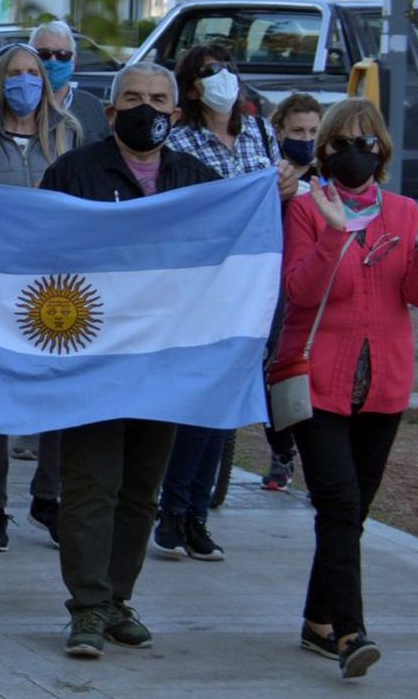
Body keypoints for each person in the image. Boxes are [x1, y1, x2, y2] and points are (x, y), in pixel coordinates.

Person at [38, 61, 218, 658]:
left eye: (159, 99)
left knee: (142, 489)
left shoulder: (198, 179)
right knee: (91, 484)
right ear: (111, 112)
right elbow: (40, 254)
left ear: (177, 111)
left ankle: (118, 598)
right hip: (91, 359)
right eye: (134, 98)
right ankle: (87, 608)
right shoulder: (74, 172)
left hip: (163, 360)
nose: (148, 108)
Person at [270, 98, 418, 679]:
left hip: (382, 384)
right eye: (341, 143)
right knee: (338, 504)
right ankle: (350, 633)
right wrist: (335, 235)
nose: (354, 151)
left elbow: (414, 294)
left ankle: (317, 619)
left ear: (381, 148)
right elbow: (303, 292)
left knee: (352, 513)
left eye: (366, 141)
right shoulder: (308, 210)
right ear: (324, 151)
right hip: (317, 380)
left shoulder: (406, 211)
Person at [153, 43, 297, 563]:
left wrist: (284, 187)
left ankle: (194, 514)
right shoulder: (183, 140)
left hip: (254, 283)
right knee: (198, 398)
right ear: (192, 87)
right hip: (206, 284)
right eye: (211, 73)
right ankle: (174, 509)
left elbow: (281, 191)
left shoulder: (257, 132)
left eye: (228, 70)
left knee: (228, 399)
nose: (223, 79)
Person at [0, 43, 80, 551]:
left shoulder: (68, 134)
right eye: (15, 73)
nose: (25, 82)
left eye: (33, 73)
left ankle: (48, 496)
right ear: (0, 81)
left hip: (55, 285)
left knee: (56, 396)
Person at [260, 92, 324, 491]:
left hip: (308, 285)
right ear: (280, 131)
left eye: (314, 131)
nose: (306, 138)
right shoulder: (269, 176)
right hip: (269, 283)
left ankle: (291, 452)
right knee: (270, 370)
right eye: (298, 130)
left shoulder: (327, 178)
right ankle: (281, 451)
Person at [30, 20, 110, 144]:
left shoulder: (92, 106)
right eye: (44, 54)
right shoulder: (20, 106)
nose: (53, 61)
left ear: (74, 60)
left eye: (63, 55)